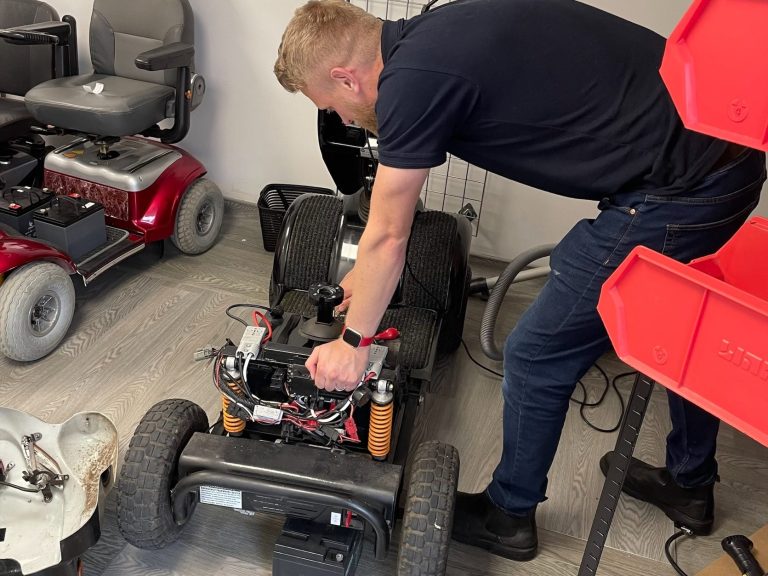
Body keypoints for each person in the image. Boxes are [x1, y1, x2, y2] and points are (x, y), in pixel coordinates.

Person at [274, 0, 766, 561]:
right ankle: (689, 484)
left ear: (347, 77)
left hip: (684, 188)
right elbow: (384, 232)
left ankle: (508, 516)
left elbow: (390, 233)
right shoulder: (434, 33)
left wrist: (355, 344)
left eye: (332, 105)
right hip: (722, 149)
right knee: (681, 323)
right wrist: (362, 274)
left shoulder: (412, 83)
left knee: (535, 354)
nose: (339, 118)